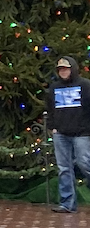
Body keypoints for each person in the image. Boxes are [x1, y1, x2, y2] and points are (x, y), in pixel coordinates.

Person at [47, 56, 90, 213]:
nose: (63, 72)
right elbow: (50, 109)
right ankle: (68, 204)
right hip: (61, 134)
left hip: (82, 134)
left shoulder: (85, 85)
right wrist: (53, 127)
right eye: (60, 69)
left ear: (73, 69)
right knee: (64, 168)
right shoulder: (54, 88)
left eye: (66, 69)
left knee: (85, 163)